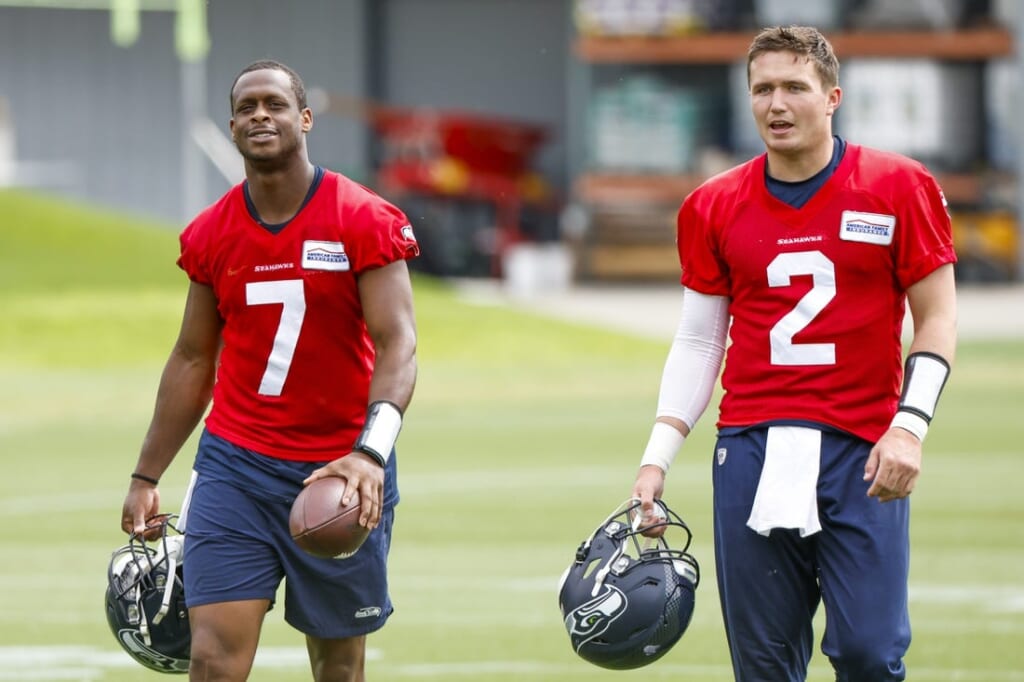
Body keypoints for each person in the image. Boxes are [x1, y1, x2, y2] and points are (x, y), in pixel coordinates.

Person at [631, 26, 957, 681]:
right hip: (752, 446)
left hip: (861, 446)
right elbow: (699, 339)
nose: (776, 104)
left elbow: (938, 318)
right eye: (762, 89)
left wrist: (910, 427)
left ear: (832, 96)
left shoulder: (898, 186)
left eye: (794, 88)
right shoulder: (712, 205)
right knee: (764, 666)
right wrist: (656, 457)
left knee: (870, 652)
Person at [119, 59, 419, 681]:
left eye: (275, 104)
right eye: (247, 107)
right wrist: (147, 473)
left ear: (304, 118)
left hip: (340, 472)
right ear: (231, 127)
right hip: (237, 468)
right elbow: (194, 358)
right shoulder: (211, 233)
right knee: (213, 658)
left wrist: (371, 454)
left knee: (338, 665)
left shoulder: (362, 217)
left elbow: (399, 346)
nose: (261, 115)